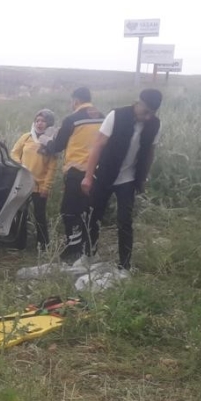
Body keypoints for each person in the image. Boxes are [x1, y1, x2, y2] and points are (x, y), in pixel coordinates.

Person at [82, 88, 163, 271]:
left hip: (128, 178)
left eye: (152, 113)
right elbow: (98, 146)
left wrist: (142, 178)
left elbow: (150, 152)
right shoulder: (116, 116)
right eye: (146, 112)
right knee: (93, 215)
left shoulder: (155, 124)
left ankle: (124, 265)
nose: (148, 117)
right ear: (138, 103)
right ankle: (89, 255)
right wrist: (88, 177)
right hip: (105, 174)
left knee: (125, 221)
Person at [43, 87, 105, 262]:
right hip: (98, 172)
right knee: (90, 212)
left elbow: (57, 146)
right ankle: (90, 250)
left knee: (69, 212)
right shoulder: (104, 116)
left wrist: (46, 142)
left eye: (71, 102)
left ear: (76, 100)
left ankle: (74, 248)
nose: (71, 105)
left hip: (77, 172)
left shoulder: (72, 119)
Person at [10, 109, 58, 248]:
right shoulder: (26, 137)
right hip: (23, 182)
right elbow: (14, 153)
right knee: (20, 213)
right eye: (37, 120)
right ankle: (20, 243)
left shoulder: (51, 143)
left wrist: (46, 186)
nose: (39, 123)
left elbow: (52, 167)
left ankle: (43, 245)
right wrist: (20, 165)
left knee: (39, 215)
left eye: (43, 121)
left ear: (49, 123)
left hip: (39, 185)